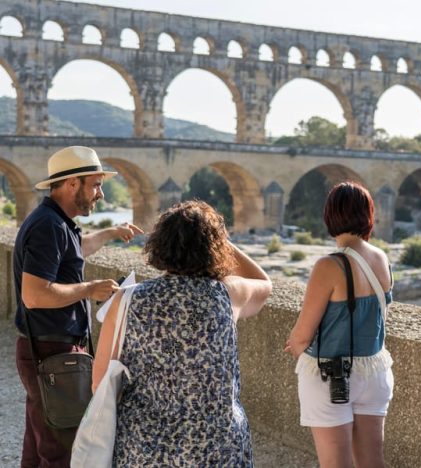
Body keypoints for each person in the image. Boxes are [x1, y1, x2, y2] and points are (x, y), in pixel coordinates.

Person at [92, 200, 272, 466]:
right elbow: (264, 284)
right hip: (217, 447)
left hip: (144, 447)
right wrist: (221, 240)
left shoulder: (126, 300)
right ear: (215, 248)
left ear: (159, 245)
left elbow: (99, 383)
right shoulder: (228, 295)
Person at [13, 145, 143, 468]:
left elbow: (76, 248)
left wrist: (111, 232)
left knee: (38, 442)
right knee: (62, 449)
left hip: (47, 347)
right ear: (72, 184)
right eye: (95, 184)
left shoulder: (56, 222)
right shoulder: (49, 227)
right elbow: (35, 294)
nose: (100, 193)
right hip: (51, 351)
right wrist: (91, 289)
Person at [285, 182, 394, 468]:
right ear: (369, 214)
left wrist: (298, 349)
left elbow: (302, 335)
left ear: (330, 216)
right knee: (372, 463)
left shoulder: (329, 266)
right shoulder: (381, 258)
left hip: (331, 374)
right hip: (374, 372)